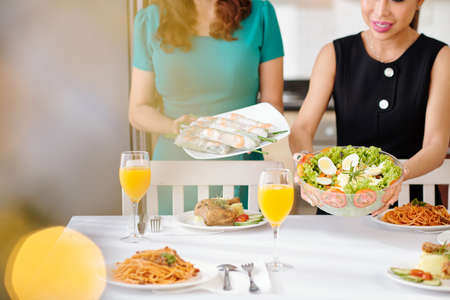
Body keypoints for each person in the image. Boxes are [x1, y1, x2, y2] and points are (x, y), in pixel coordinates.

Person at [289, 0, 450, 215]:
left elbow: (436, 146)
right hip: (341, 204)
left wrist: (397, 175)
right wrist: (304, 165)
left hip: (411, 209)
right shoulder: (333, 54)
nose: (381, 10)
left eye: (397, 0)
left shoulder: (440, 56)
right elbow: (302, 128)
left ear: (419, 1)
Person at [128, 0, 284, 213]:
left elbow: (273, 105)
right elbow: (138, 110)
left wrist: (230, 135)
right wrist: (175, 127)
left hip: (242, 168)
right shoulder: (150, 19)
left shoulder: (261, 13)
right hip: (174, 173)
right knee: (171, 245)